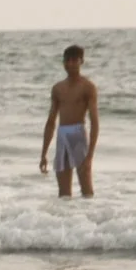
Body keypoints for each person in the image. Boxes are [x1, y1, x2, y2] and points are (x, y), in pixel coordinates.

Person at [40, 45, 99, 198]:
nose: (71, 64)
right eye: (68, 60)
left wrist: (90, 155)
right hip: (62, 134)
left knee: (86, 187)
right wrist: (44, 153)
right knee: (63, 192)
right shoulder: (58, 88)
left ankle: (91, 217)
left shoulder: (87, 87)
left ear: (81, 61)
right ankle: (67, 219)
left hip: (78, 133)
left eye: (74, 60)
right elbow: (51, 121)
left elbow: (94, 122)